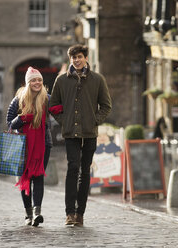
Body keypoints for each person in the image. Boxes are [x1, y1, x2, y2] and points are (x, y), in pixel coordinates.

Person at [49, 44, 112, 226]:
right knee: (72, 168)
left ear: (86, 58)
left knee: (85, 172)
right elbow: (53, 106)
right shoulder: (61, 81)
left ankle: (80, 213)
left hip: (90, 133)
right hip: (70, 134)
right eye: (73, 58)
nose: (76, 60)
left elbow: (106, 106)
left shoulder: (97, 80)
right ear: (70, 60)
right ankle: (69, 213)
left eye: (79, 57)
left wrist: (94, 120)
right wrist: (65, 120)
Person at [6, 66, 52, 227]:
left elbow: (59, 111)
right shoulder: (18, 100)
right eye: (34, 80)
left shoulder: (47, 98)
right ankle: (28, 214)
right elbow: (10, 123)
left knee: (38, 177)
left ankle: (37, 213)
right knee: (25, 178)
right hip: (22, 144)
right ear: (28, 83)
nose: (37, 82)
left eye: (39, 80)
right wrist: (22, 118)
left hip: (43, 144)